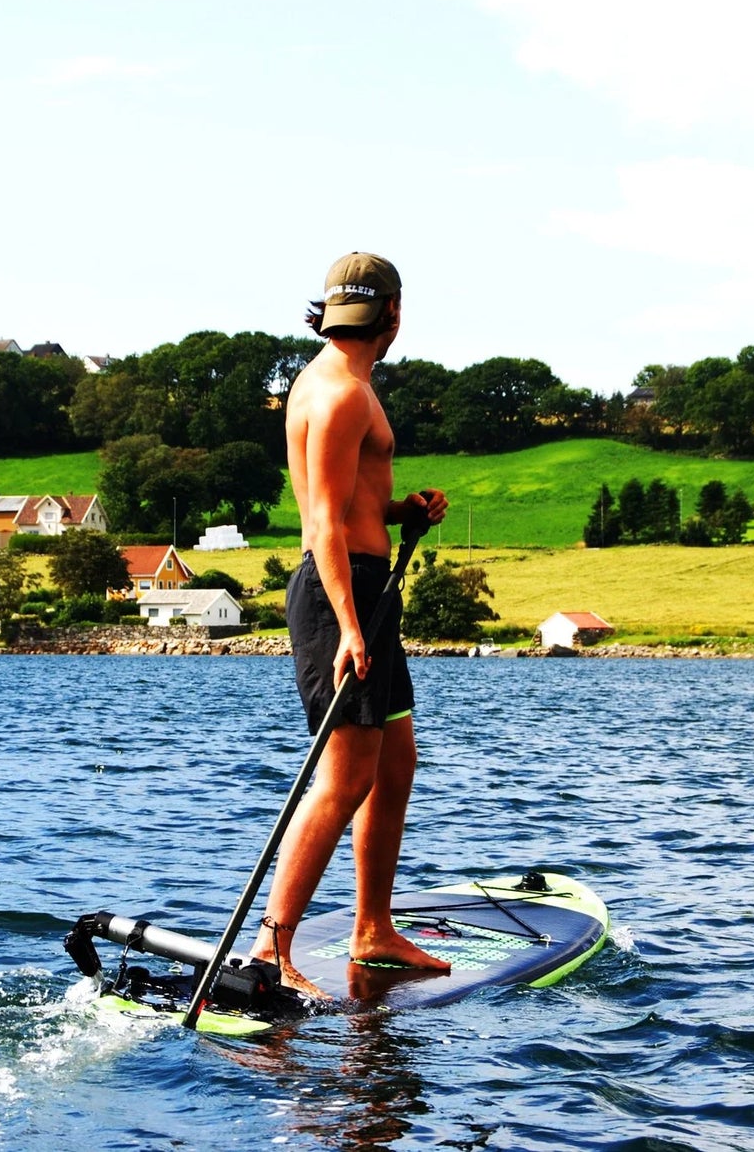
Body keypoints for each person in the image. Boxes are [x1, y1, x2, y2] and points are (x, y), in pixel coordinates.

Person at [246, 251, 452, 997]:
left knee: (395, 764)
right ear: (393, 312)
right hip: (343, 595)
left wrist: (402, 511)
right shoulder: (340, 394)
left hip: (364, 589)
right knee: (344, 779)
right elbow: (324, 524)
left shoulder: (336, 382)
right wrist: (350, 627)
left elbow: (350, 503)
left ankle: (373, 928)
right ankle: (270, 950)